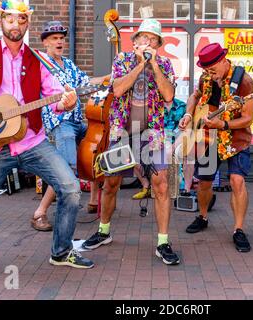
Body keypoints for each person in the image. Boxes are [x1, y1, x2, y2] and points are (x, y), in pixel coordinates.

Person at [0, 0, 94, 270]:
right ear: (0, 22)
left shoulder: (38, 59)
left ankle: (61, 251)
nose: (15, 25)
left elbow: (54, 95)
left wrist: (66, 102)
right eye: (10, 19)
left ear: (27, 23)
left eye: (21, 20)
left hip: (32, 141)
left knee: (70, 188)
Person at [82, 19, 181, 265]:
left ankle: (162, 242)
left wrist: (154, 66)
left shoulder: (165, 64)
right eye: (143, 38)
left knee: (161, 186)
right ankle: (103, 231)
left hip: (152, 135)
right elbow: (117, 90)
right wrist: (139, 65)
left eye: (153, 39)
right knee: (111, 184)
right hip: (122, 133)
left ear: (159, 44)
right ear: (135, 41)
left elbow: (168, 95)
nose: (147, 42)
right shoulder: (122, 61)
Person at [178, 43, 253, 252]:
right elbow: (195, 97)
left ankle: (238, 229)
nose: (210, 75)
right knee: (203, 182)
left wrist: (224, 124)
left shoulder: (244, 82)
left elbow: (248, 118)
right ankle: (202, 216)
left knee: (237, 181)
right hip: (210, 137)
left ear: (223, 61)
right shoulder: (206, 78)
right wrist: (187, 114)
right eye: (206, 71)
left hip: (236, 138)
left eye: (213, 70)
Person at [31, 20, 105, 231]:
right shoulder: (40, 64)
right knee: (67, 169)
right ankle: (40, 213)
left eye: (62, 38)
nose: (59, 41)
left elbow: (85, 83)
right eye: (54, 38)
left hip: (75, 121)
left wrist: (109, 78)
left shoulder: (69, 64)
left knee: (94, 153)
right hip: (60, 123)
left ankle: (92, 200)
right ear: (45, 43)